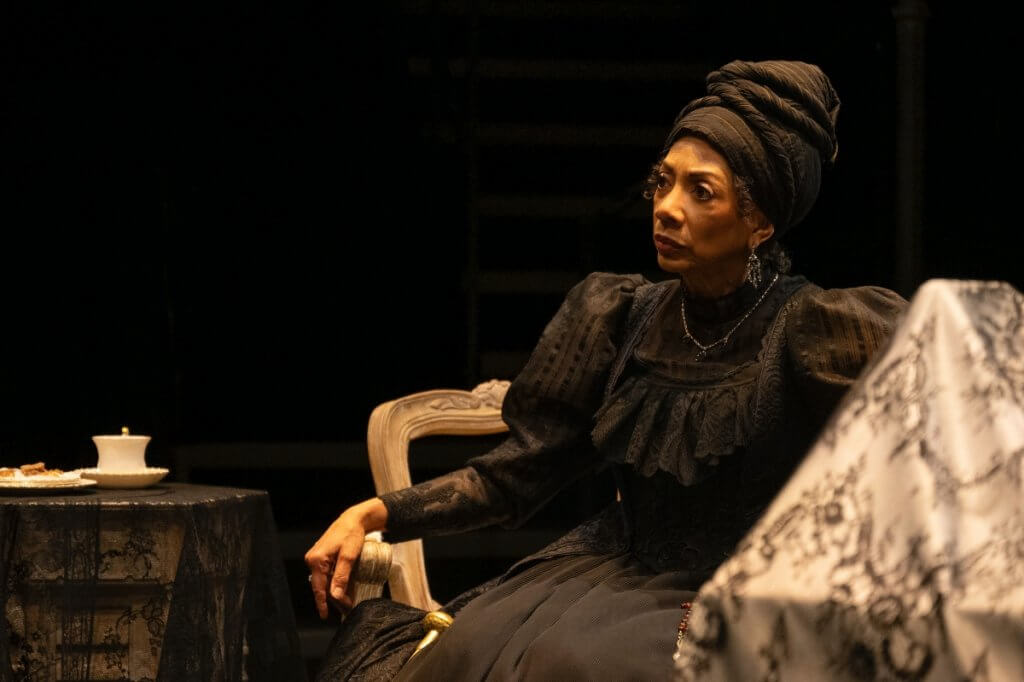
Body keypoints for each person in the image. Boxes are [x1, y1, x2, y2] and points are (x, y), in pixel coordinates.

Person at [308, 59, 907, 681]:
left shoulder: (815, 330)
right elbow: (514, 479)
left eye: (701, 192)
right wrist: (377, 513)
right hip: (619, 575)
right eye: (663, 182)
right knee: (470, 649)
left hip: (750, 594)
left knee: (579, 664)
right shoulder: (624, 318)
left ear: (760, 222)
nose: (666, 208)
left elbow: (913, 464)